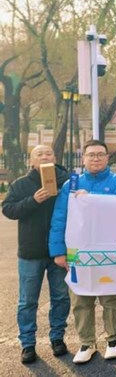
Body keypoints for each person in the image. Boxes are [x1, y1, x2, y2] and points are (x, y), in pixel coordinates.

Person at [49, 140, 116, 364]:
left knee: (112, 297)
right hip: (79, 252)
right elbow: (60, 218)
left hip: (110, 250)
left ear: (107, 158)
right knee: (81, 298)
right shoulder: (71, 184)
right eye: (91, 155)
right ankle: (87, 342)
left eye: (100, 154)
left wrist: (93, 200)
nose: (96, 158)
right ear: (84, 158)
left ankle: (113, 340)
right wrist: (58, 251)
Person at [2, 145, 70, 364]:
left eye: (48, 153)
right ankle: (28, 343)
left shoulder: (67, 182)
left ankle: (57, 338)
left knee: (61, 297)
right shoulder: (21, 184)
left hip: (59, 252)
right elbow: (8, 209)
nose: (44, 157)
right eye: (39, 154)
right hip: (30, 252)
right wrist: (33, 200)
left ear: (55, 158)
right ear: (32, 161)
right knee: (27, 301)